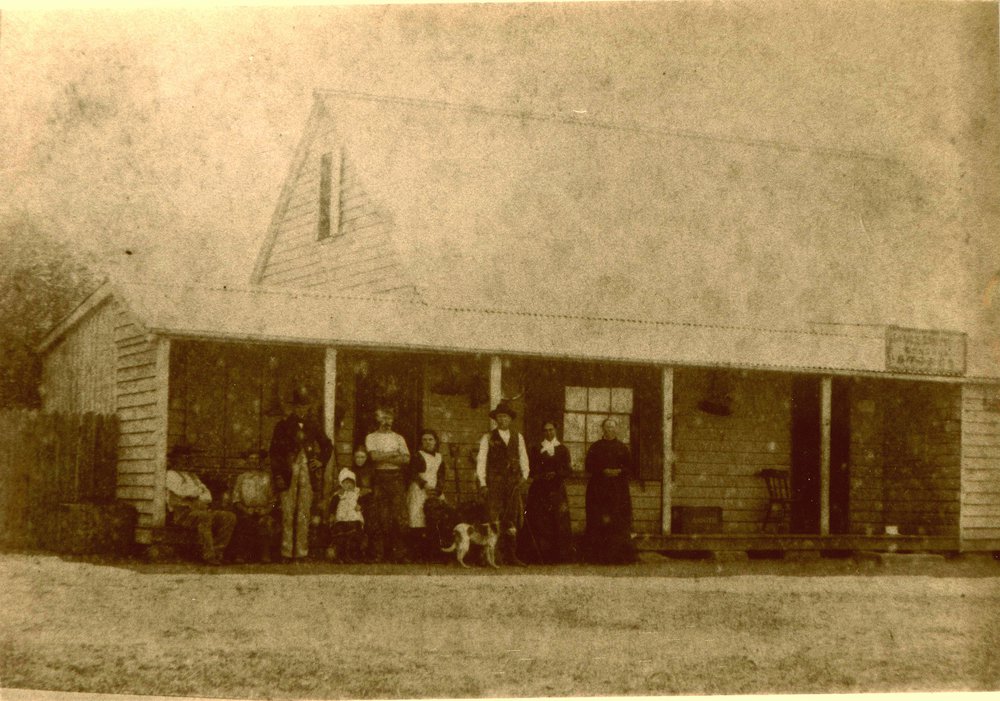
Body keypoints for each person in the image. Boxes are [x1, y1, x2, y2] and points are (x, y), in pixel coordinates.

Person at [268, 386, 333, 563]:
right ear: (293, 407)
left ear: (308, 407)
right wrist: (278, 476)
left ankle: (301, 553)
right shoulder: (282, 426)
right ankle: (286, 553)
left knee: (304, 513)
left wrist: (320, 460)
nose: (301, 409)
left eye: (304, 406)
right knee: (288, 513)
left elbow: (328, 445)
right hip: (289, 473)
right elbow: (274, 453)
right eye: (298, 406)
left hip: (307, 474)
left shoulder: (314, 425)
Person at [475, 399, 530, 565]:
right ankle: (492, 555)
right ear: (495, 419)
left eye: (505, 417)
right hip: (494, 483)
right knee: (493, 518)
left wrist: (524, 476)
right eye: (499, 417)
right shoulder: (488, 437)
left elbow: (523, 458)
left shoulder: (517, 437)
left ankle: (511, 555)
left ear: (510, 419)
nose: (502, 420)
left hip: (512, 484)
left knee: (511, 518)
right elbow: (481, 461)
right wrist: (483, 483)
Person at [165, 445, 236, 565]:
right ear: (175, 459)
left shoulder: (193, 476)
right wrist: (197, 492)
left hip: (199, 510)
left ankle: (217, 552)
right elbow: (182, 492)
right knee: (204, 516)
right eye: (182, 457)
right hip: (182, 514)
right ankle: (208, 555)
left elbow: (208, 496)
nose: (186, 460)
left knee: (229, 517)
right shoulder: (171, 474)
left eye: (188, 457)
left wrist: (196, 494)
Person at [520, 420, 573, 564]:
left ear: (555, 431)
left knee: (558, 521)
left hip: (556, 489)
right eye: (546, 430)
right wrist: (541, 475)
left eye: (551, 430)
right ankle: (538, 557)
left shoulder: (562, 449)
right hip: (539, 489)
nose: (549, 433)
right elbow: (530, 469)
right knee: (539, 520)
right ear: (542, 432)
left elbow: (568, 470)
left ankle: (558, 557)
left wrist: (556, 474)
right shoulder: (536, 448)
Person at [583, 417, 635, 564]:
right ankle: (597, 558)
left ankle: (618, 558)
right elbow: (589, 466)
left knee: (617, 522)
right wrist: (603, 471)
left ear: (616, 429)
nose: (609, 430)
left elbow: (629, 468)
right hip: (598, 489)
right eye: (607, 427)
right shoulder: (595, 447)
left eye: (612, 427)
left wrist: (619, 471)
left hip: (618, 491)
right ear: (603, 429)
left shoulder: (623, 448)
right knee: (598, 520)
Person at [364, 407, 411, 563]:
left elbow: (405, 459)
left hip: (396, 477)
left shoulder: (399, 438)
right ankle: (378, 554)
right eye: (383, 418)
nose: (387, 422)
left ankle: (399, 554)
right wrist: (393, 454)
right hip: (379, 477)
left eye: (389, 419)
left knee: (399, 516)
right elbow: (374, 457)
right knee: (378, 516)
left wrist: (385, 457)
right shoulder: (371, 437)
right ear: (377, 419)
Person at [229, 450, 277, 563]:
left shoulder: (267, 478)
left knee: (266, 522)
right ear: (247, 461)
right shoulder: (241, 478)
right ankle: (241, 555)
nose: (254, 461)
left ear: (260, 461)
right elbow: (236, 500)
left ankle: (265, 555)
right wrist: (246, 510)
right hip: (246, 510)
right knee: (244, 522)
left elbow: (273, 500)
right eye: (251, 459)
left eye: (256, 459)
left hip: (263, 510)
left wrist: (266, 510)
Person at [406, 429, 446, 561]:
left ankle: (433, 554)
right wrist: (424, 485)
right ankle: (417, 555)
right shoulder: (417, 455)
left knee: (435, 519)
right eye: (424, 440)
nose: (427, 442)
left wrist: (438, 489)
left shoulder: (439, 457)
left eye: (430, 439)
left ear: (435, 441)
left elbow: (441, 475)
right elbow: (412, 473)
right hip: (419, 489)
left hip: (434, 490)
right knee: (417, 519)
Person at [326, 468, 367, 563]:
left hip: (354, 519)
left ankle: (353, 556)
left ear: (354, 483)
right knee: (341, 538)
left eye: (350, 483)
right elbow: (332, 506)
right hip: (342, 520)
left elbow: (363, 503)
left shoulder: (357, 493)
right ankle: (341, 556)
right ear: (341, 483)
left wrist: (360, 506)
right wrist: (332, 515)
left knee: (354, 537)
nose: (348, 485)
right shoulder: (338, 495)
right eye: (345, 483)